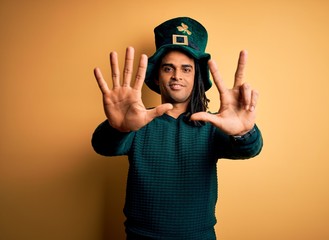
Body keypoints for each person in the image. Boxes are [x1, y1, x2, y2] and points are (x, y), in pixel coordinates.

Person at [92, 17, 263, 240]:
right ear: (156, 75)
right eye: (168, 68)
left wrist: (243, 131)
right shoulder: (138, 121)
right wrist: (118, 128)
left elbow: (248, 149)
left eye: (186, 69)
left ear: (197, 76)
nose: (176, 76)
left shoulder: (212, 125)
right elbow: (103, 145)